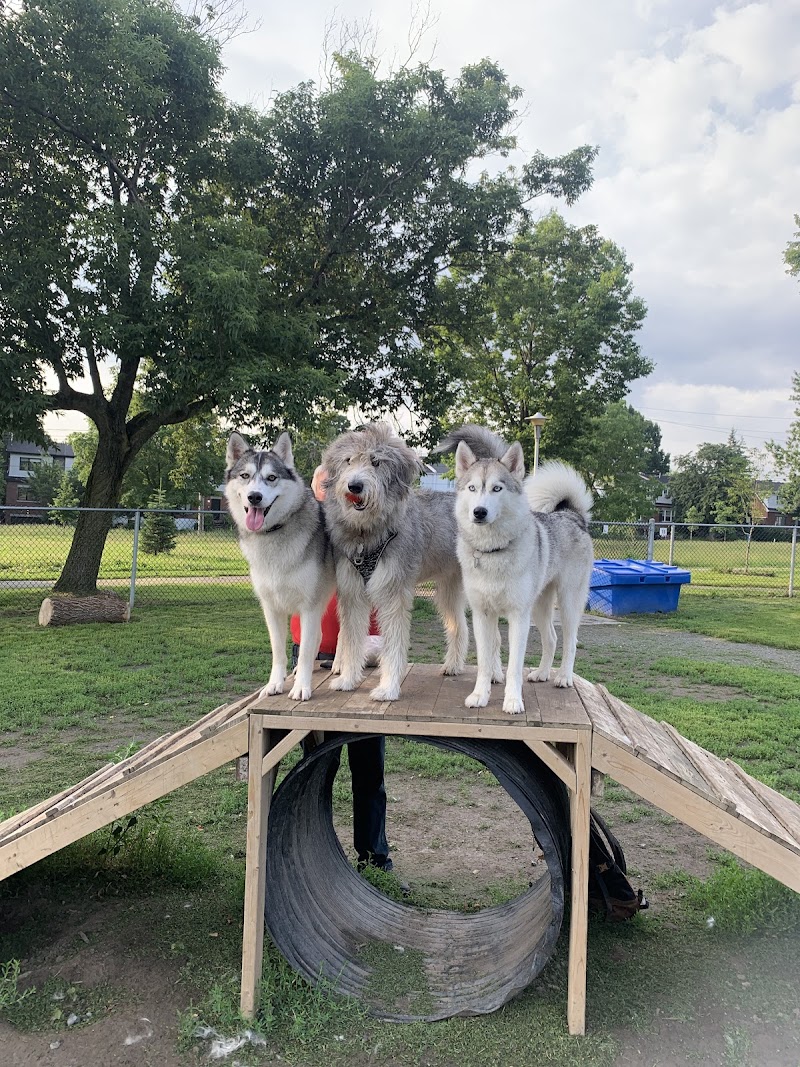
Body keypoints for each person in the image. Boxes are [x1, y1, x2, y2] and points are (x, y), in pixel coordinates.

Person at [290, 466, 394, 873]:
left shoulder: (368, 527)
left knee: (368, 768)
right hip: (311, 659)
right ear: (316, 488)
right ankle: (310, 854)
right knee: (315, 768)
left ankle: (374, 857)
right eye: (326, 482)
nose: (335, 489)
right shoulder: (308, 526)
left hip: (363, 657)